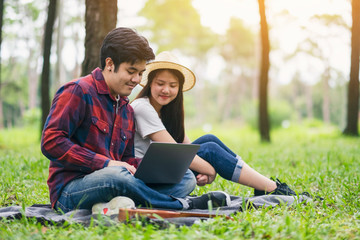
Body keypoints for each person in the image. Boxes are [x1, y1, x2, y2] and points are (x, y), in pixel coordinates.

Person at [41, 28, 229, 214]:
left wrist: (152, 169)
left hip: (119, 180)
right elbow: (51, 142)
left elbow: (126, 160)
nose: (136, 79)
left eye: (140, 72)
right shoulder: (78, 91)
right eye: (131, 71)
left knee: (186, 177)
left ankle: (119, 206)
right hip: (71, 191)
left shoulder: (126, 108)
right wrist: (105, 164)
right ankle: (182, 205)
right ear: (110, 64)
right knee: (116, 177)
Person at [131, 51, 298, 197]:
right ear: (150, 83)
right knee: (210, 150)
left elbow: (186, 146)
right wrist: (210, 170)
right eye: (160, 84)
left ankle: (264, 185)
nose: (166, 90)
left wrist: (205, 167)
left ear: (179, 88)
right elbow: (176, 153)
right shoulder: (142, 107)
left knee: (209, 140)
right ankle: (272, 188)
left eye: (172, 85)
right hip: (144, 176)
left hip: (160, 170)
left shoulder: (165, 111)